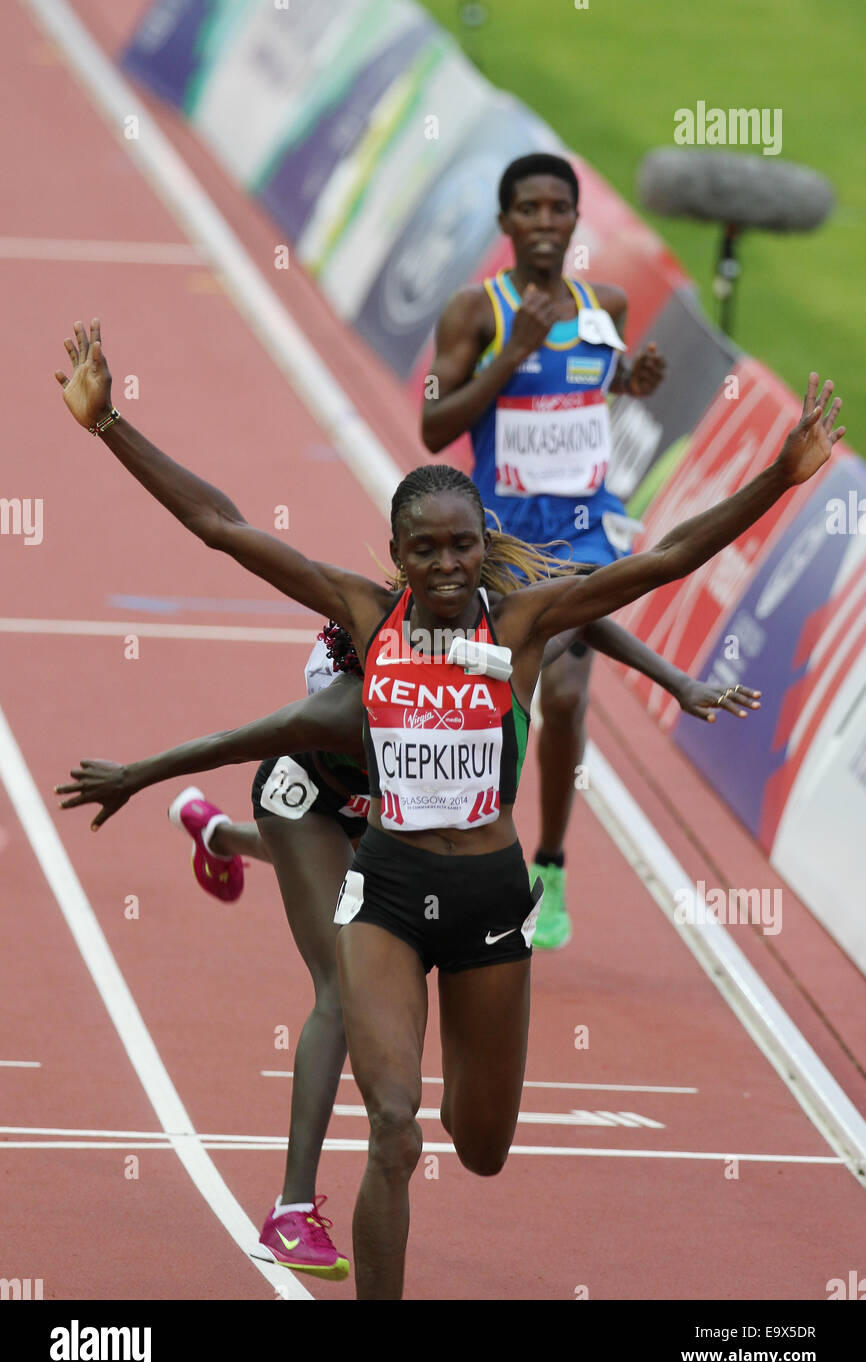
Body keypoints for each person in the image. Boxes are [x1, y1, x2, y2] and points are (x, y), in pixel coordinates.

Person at [55, 317, 842, 1299]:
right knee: (394, 1130)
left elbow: (666, 559)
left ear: (481, 547)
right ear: (395, 551)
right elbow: (221, 525)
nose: (442, 567)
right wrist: (110, 425)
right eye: (422, 551)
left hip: (485, 896)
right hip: (384, 887)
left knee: (480, 1146)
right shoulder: (362, 613)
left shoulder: (521, 623)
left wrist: (779, 476)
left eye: (459, 547)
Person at [422, 151, 667, 947]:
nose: (543, 222)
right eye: (527, 209)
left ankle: (549, 866)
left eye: (557, 208)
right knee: (494, 702)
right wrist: (512, 353)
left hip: (587, 531)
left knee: (561, 694)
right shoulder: (476, 311)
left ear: (573, 220)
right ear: (505, 223)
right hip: (497, 543)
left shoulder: (606, 305)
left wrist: (634, 378)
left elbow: (595, 382)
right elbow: (434, 425)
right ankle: (463, 856)